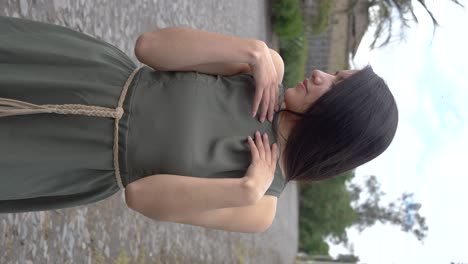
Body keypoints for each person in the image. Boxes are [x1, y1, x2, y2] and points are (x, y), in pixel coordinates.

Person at [0, 16, 398, 233]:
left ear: (338, 122)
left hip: (71, 160)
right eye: (333, 72)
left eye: (333, 85)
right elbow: (149, 47)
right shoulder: (267, 69)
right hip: (84, 74)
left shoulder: (259, 207)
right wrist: (251, 50)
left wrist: (243, 190)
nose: (318, 74)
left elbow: (141, 197)